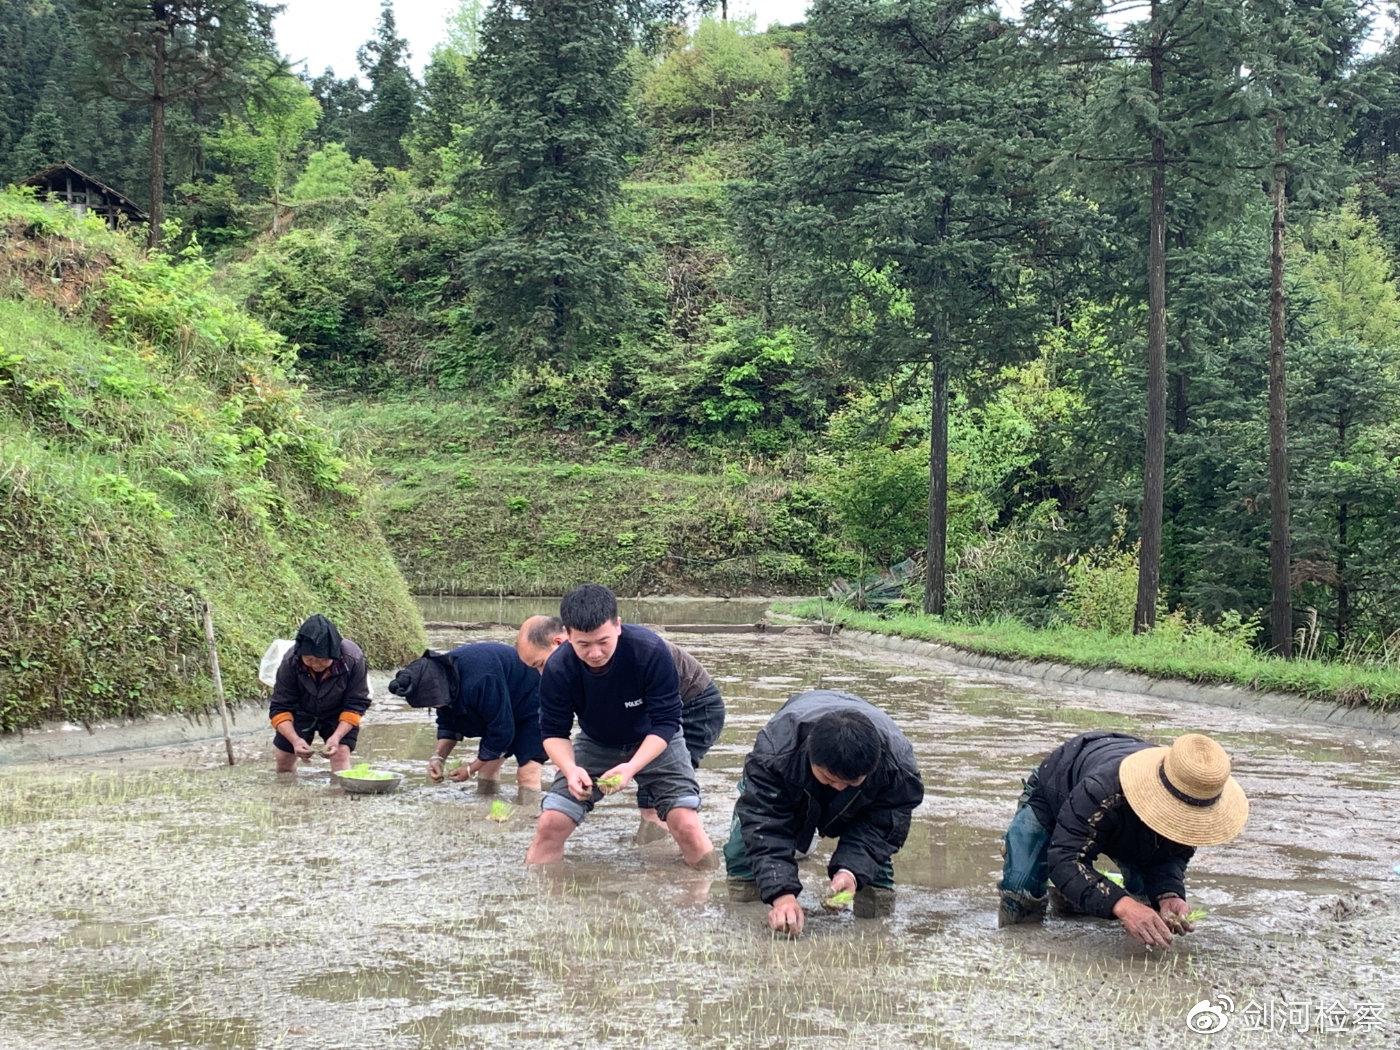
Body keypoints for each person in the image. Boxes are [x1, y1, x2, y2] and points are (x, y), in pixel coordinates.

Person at [997, 731, 1249, 949]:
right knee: (1021, 893)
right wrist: (1121, 904)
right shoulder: (1102, 788)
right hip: (1057, 789)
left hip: (1121, 820)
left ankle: (1072, 897)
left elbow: (1169, 855)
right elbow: (1064, 858)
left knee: (1147, 910)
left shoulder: (1191, 794)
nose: (1183, 820)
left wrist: (1168, 893)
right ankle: (1065, 892)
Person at [524, 585, 715, 867]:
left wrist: (631, 767)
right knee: (550, 823)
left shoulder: (649, 651)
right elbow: (553, 733)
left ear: (618, 626)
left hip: (655, 740)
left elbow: (666, 722)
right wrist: (570, 768)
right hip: (596, 742)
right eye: (583, 645)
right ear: (568, 636)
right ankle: (538, 898)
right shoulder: (558, 668)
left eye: (603, 641)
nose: (595, 653)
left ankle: (701, 897)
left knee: (685, 824)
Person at [724, 690, 925, 937]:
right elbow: (764, 824)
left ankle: (875, 934)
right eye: (830, 779)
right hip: (788, 777)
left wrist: (849, 871)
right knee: (743, 854)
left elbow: (882, 828)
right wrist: (781, 895)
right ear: (811, 755)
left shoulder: (898, 770)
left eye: (850, 783)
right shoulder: (775, 752)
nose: (839, 788)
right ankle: (752, 923)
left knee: (874, 872)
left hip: (866, 802)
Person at [387, 642, 546, 792]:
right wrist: (438, 758)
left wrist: (470, 769)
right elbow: (448, 724)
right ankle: (486, 812)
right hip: (501, 704)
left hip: (532, 699)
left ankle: (529, 816)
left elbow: (501, 731)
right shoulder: (442, 680)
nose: (437, 708)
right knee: (486, 772)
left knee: (527, 773)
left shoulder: (480, 680)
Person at [269, 614, 370, 773]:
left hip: (338, 711)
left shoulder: (353, 659)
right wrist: (295, 740)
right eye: (309, 659)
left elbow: (356, 704)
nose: (316, 665)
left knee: (340, 754)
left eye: (323, 660)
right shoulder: (291, 661)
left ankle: (339, 795)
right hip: (300, 710)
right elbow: (279, 708)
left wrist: (336, 737)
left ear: (334, 654)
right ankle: (287, 794)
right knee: (283, 757)